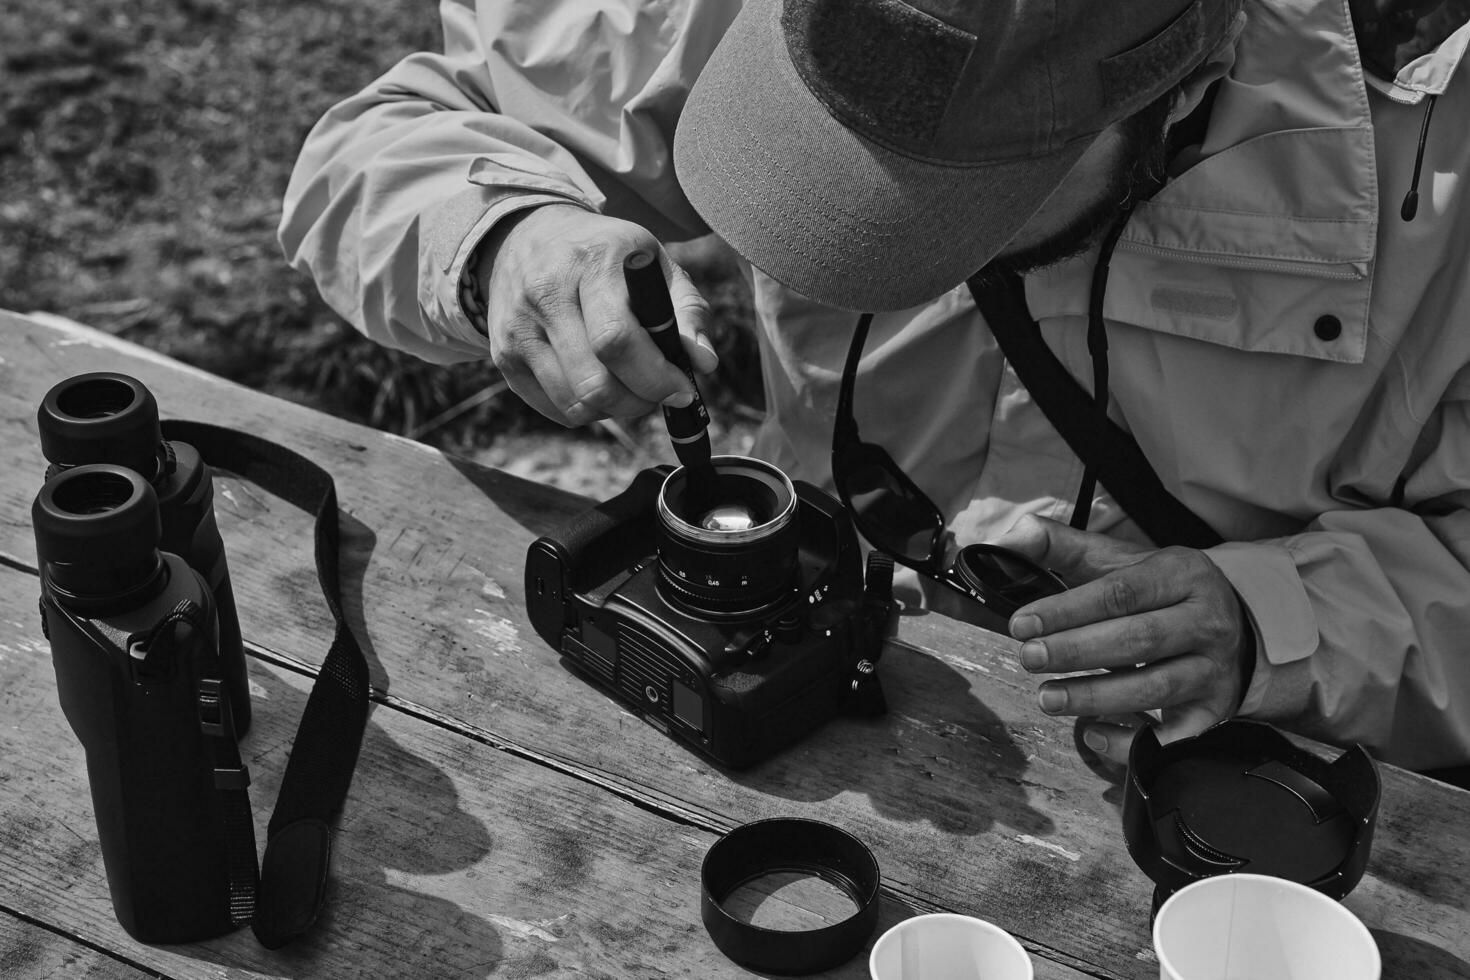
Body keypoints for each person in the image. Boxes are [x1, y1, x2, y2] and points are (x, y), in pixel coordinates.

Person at [279, 0, 1470, 777]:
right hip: (808, 713)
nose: (873, 222)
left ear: (1173, 88)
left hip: (1246, 790)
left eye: (943, 202)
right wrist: (499, 239)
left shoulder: (1437, 160)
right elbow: (384, 142)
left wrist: (1277, 621)